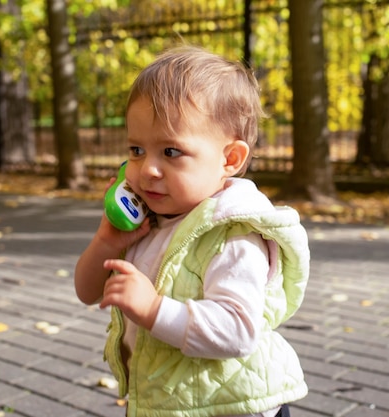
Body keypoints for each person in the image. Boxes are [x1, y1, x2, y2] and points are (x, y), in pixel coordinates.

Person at [74, 45, 310, 417]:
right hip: (170, 402)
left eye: (170, 152)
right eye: (136, 150)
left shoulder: (234, 236)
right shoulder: (148, 222)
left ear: (229, 159)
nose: (148, 169)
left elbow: (237, 332)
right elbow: (88, 292)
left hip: (231, 408)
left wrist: (153, 309)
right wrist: (107, 240)